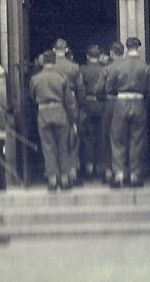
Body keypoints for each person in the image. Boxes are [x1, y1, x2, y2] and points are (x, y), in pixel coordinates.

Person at [106, 37, 150, 188]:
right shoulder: (146, 67)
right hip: (139, 102)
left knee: (118, 139)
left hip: (121, 102)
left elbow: (109, 87)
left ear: (126, 48)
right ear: (138, 48)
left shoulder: (118, 67)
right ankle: (134, 175)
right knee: (137, 140)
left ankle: (119, 174)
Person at [30, 50, 77, 191]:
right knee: (63, 146)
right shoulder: (61, 78)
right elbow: (69, 101)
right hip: (60, 112)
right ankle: (64, 179)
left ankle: (52, 180)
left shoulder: (35, 78)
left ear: (43, 62)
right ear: (55, 61)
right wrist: (73, 119)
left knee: (48, 147)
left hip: (44, 112)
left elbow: (32, 97)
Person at [52, 38, 85, 186]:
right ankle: (72, 173)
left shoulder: (49, 66)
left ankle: (56, 174)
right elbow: (80, 89)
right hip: (70, 102)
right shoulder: (74, 67)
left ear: (54, 50)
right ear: (66, 50)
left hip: (53, 104)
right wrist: (81, 106)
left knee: (53, 141)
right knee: (72, 140)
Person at [95, 41, 124, 184]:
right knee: (126, 137)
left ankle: (108, 171)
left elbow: (99, 90)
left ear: (112, 53)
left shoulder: (107, 69)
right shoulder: (127, 67)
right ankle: (126, 171)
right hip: (126, 103)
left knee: (106, 137)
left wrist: (101, 99)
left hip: (111, 103)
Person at [80, 45, 104, 178]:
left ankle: (89, 168)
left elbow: (80, 89)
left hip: (87, 105)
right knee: (101, 137)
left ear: (88, 56)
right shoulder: (104, 69)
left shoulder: (82, 69)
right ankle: (100, 167)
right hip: (101, 104)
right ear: (99, 56)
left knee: (88, 138)